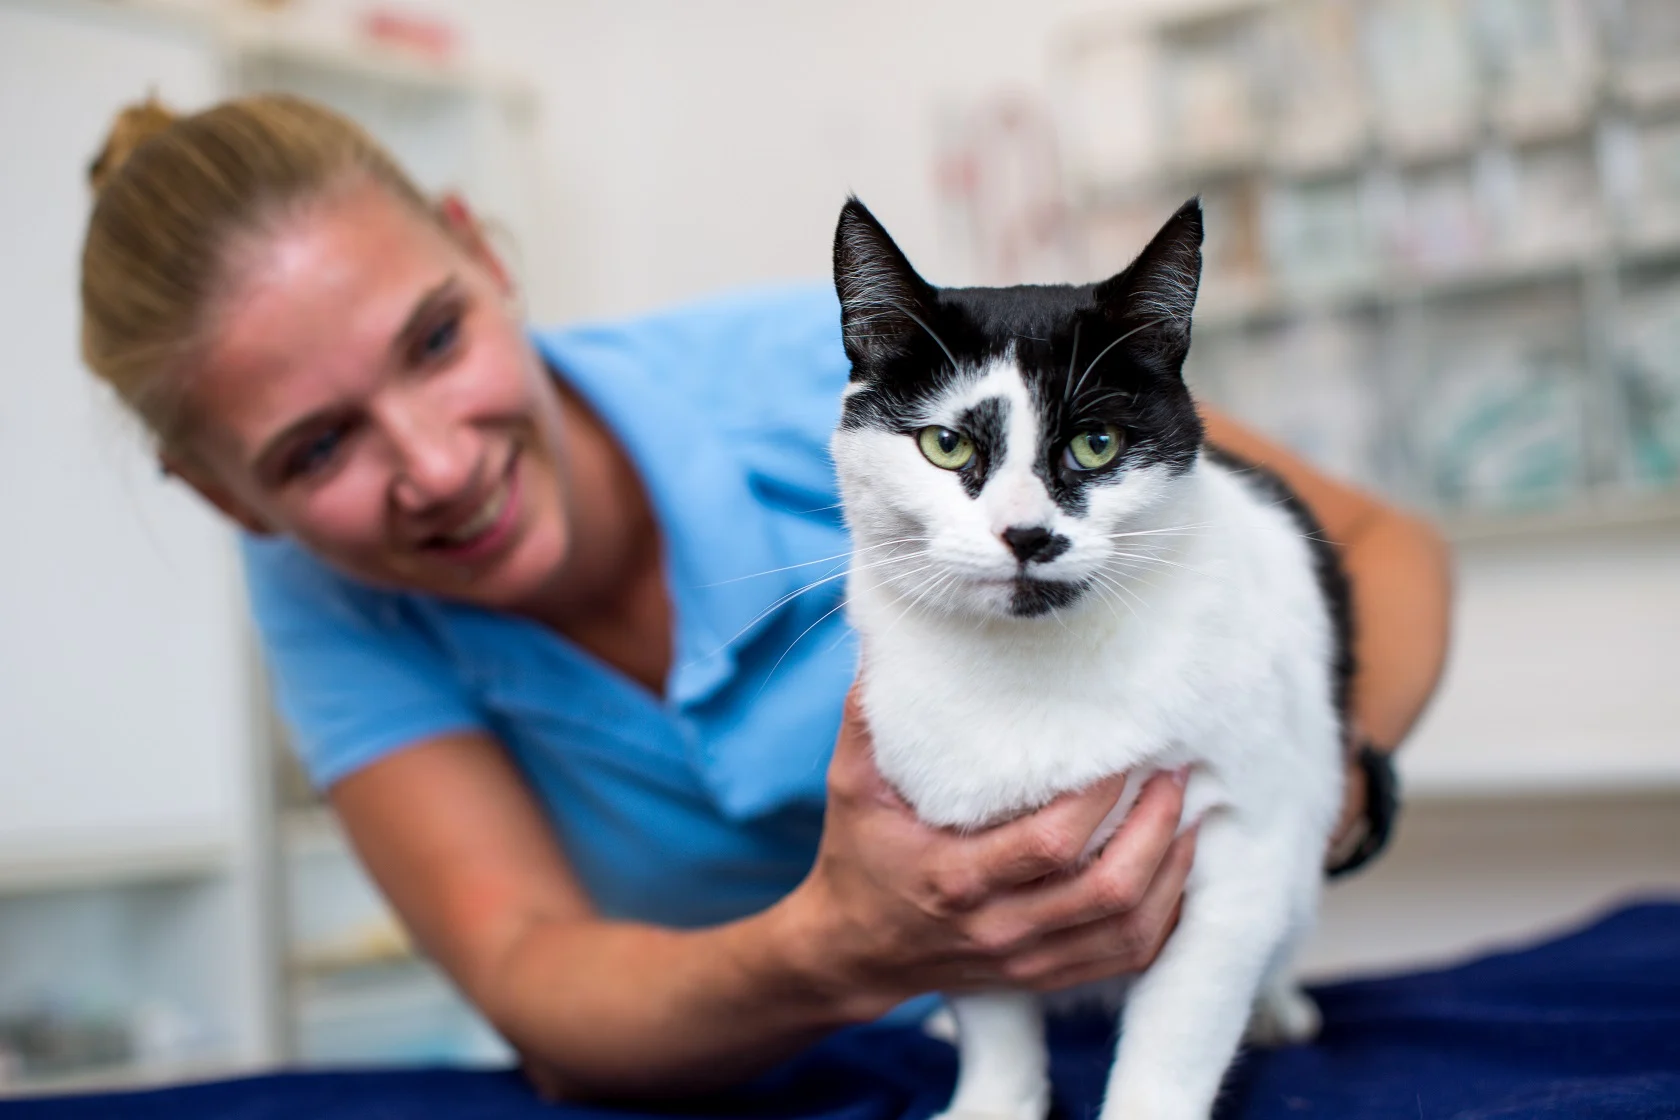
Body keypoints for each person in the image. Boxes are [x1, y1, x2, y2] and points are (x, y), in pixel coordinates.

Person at [79, 94, 1452, 1101]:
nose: (435, 466)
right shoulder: (322, 590)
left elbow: (1378, 550)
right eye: (316, 451)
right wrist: (842, 946)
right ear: (225, 498)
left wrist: (1320, 793)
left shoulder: (836, 372)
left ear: (479, 248)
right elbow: (532, 983)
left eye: (434, 340)